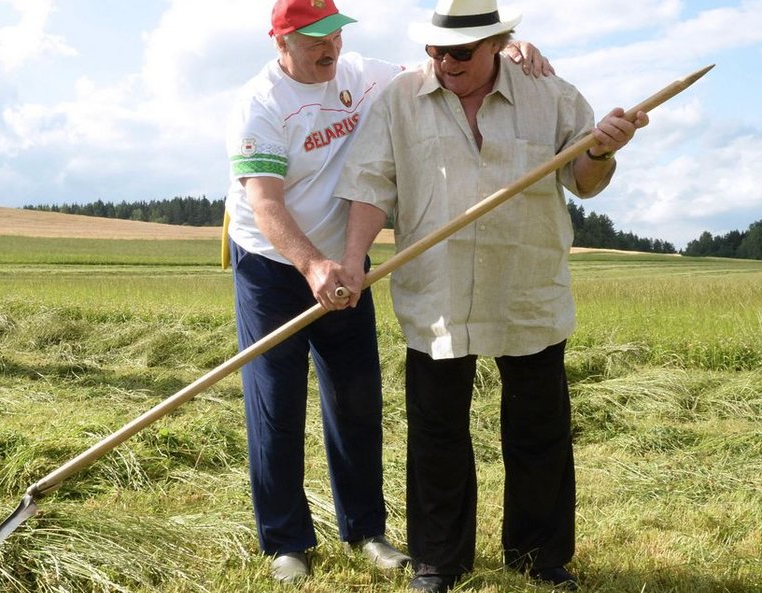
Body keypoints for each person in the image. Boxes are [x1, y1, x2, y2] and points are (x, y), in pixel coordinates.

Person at [323, 1, 650, 591]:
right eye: (435, 50)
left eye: (461, 52)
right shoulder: (399, 100)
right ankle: (439, 562)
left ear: (499, 43)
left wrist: (602, 150)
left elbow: (586, 182)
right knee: (436, 430)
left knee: (538, 428)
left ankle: (540, 557)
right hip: (438, 290)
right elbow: (371, 183)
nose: (445, 62)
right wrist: (352, 260)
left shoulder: (551, 95)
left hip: (526, 286)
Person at [224, 0, 554, 584]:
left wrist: (510, 50)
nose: (330, 50)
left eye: (334, 36)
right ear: (282, 45)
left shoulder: (366, 75)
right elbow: (265, 203)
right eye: (313, 41)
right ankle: (286, 541)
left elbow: (449, 67)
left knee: (355, 399)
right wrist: (310, 266)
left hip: (349, 265)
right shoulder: (259, 105)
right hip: (276, 265)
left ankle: (365, 529)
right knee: (275, 405)